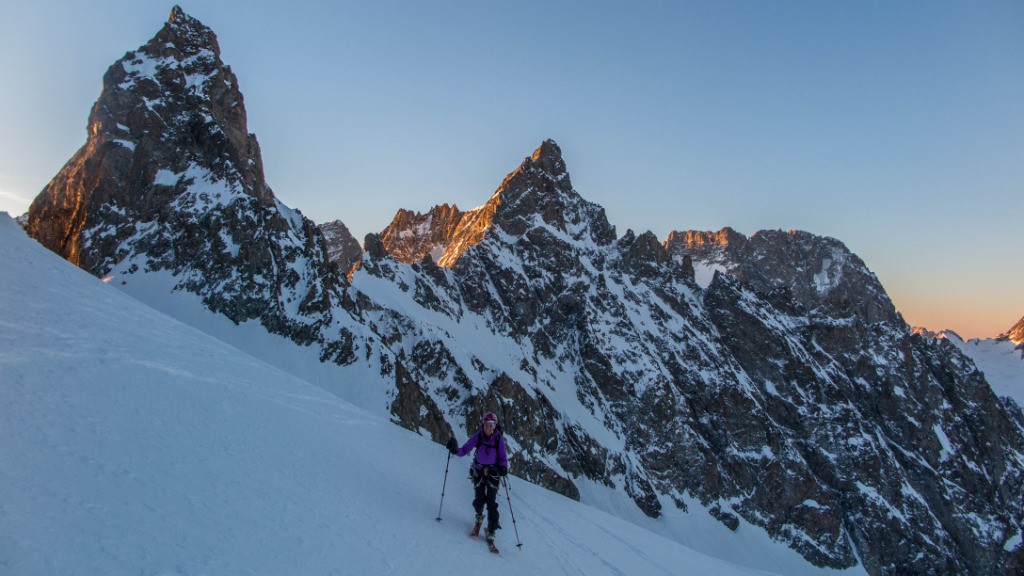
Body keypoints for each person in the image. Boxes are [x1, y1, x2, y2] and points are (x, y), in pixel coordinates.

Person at [447, 412, 508, 545]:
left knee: (491, 502)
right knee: (479, 500)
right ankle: (479, 518)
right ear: (483, 424)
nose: (488, 427)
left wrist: (503, 467)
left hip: (493, 473)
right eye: (487, 424)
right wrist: (455, 450)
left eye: (491, 425)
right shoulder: (478, 437)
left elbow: (503, 458)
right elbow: (465, 449)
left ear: (495, 426)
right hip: (479, 472)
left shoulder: (499, 439)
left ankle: (492, 529)